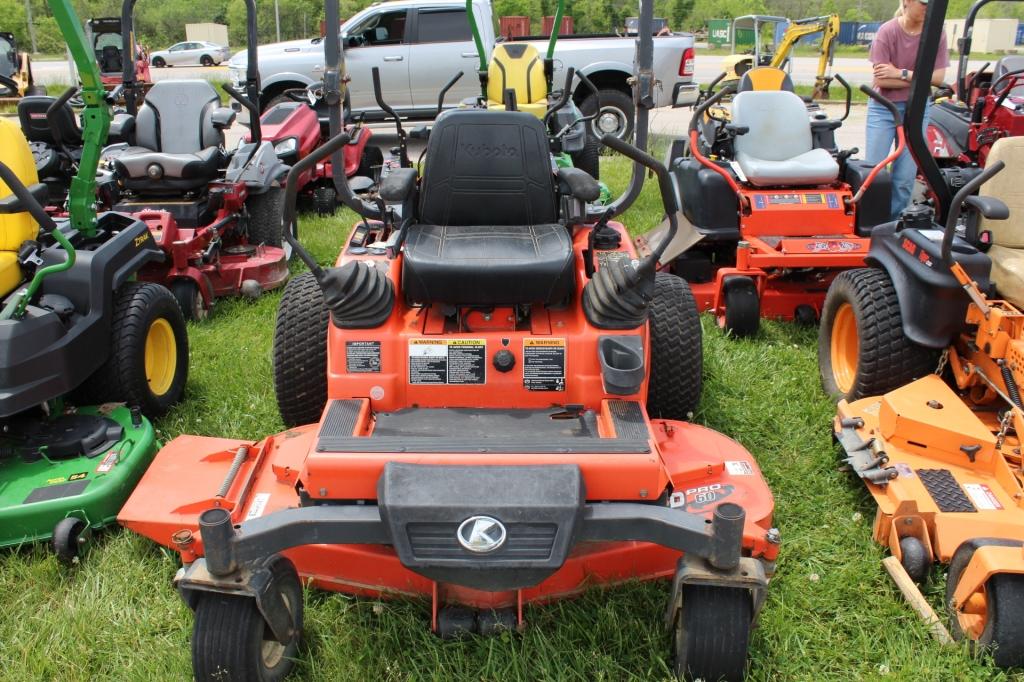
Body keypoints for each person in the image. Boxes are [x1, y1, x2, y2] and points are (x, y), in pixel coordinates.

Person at [866, 0, 949, 220]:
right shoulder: (888, 31)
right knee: (874, 170)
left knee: (904, 177)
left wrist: (901, 73)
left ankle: (893, 226)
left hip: (917, 110)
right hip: (884, 108)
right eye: (923, 2)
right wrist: (922, 80)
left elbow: (939, 79)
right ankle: (869, 223)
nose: (927, 7)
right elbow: (881, 81)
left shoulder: (935, 34)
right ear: (907, 2)